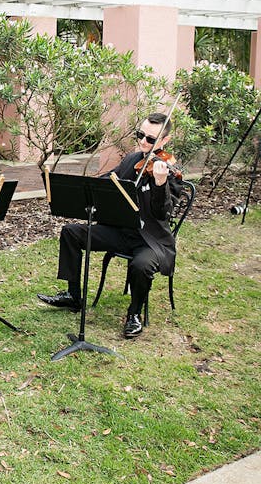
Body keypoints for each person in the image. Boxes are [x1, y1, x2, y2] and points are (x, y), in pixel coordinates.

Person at [38, 112, 183, 338]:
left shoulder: (169, 174)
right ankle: (73, 295)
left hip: (150, 240)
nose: (143, 142)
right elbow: (108, 181)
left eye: (151, 139)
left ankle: (134, 314)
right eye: (140, 135)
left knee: (142, 265)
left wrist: (159, 184)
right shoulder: (131, 161)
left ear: (164, 141)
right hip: (120, 230)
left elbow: (163, 213)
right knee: (71, 233)